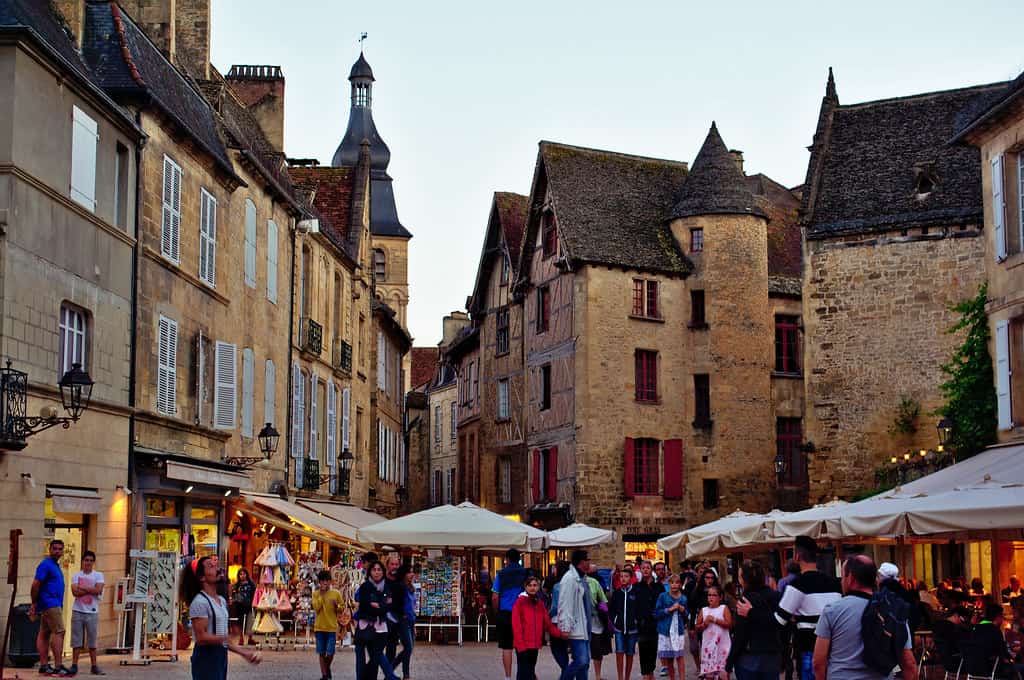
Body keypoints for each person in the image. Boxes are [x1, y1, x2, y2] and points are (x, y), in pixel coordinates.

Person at [812, 555, 915, 680]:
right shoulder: (892, 610)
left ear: (850, 578)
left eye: (843, 576)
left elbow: (818, 662)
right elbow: (909, 663)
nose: (841, 581)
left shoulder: (832, 611)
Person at [181, 556, 260, 680]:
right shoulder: (200, 602)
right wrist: (227, 637)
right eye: (211, 567)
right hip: (206, 659)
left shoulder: (222, 601)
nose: (217, 569)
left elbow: (221, 640)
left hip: (220, 657)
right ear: (202, 577)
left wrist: (244, 653)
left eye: (216, 566)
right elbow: (201, 637)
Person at [775, 536, 841, 680]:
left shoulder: (797, 585)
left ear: (797, 556)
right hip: (836, 652)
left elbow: (779, 620)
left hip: (810, 650)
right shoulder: (835, 584)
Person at [730, 560, 782, 680]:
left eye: (739, 576)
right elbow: (782, 624)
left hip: (749, 658)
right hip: (772, 656)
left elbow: (740, 635)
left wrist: (729, 664)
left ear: (743, 580)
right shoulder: (776, 596)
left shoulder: (745, 601)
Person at [512, 575, 564, 680]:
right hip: (523, 646)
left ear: (538, 587)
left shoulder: (539, 604)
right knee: (524, 674)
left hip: (534, 645)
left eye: (535, 585)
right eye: (530, 585)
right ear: (525, 587)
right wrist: (521, 646)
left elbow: (548, 624)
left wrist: (561, 634)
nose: (532, 588)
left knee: (530, 672)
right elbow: (516, 625)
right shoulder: (519, 603)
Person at [31, 539, 69, 676]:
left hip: (52, 603)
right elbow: (35, 584)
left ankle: (44, 666)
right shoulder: (45, 565)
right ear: (50, 549)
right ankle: (58, 666)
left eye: (60, 549)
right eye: (55, 549)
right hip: (50, 603)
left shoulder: (55, 565)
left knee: (45, 633)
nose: (58, 551)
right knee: (59, 631)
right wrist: (34, 603)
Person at [356, 561, 399, 680]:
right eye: (374, 570)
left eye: (379, 569)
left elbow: (389, 606)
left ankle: (389, 676)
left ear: (383, 572)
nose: (376, 572)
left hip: (380, 628)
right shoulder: (365, 586)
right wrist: (380, 607)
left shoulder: (386, 587)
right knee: (364, 657)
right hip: (365, 627)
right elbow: (364, 606)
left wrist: (378, 606)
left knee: (376, 656)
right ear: (370, 572)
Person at [558, 550, 594, 680]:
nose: (590, 562)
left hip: (584, 627)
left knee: (585, 665)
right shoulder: (570, 579)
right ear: (581, 563)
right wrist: (566, 627)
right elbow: (565, 604)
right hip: (575, 628)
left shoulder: (581, 578)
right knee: (582, 661)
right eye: (588, 560)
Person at [492, 548, 528, 680]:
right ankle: (523, 674)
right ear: (519, 558)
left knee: (506, 646)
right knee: (521, 645)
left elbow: (495, 597)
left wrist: (497, 612)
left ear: (507, 559)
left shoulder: (501, 574)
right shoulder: (525, 573)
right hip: (522, 614)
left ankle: (508, 677)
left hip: (505, 613)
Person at [69, 550, 105, 677]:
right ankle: (74, 665)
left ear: (93, 562)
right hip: (78, 610)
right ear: (82, 561)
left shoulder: (98, 575)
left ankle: (94, 665)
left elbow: (98, 590)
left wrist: (83, 587)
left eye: (90, 560)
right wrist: (91, 589)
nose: (88, 563)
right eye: (86, 560)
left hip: (92, 611)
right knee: (76, 639)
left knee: (92, 640)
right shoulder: (75, 575)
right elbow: (75, 592)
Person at [964, 602, 1014, 679]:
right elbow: (1002, 652)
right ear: (998, 617)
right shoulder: (995, 630)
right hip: (990, 669)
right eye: (1002, 616)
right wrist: (1013, 657)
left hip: (972, 668)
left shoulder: (975, 628)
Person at [654, 575, 687, 680]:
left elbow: (687, 615)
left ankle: (682, 678)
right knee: (669, 658)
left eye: (677, 583)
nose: (674, 585)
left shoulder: (683, 598)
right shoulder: (663, 596)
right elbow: (656, 613)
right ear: (669, 584)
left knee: (680, 656)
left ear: (680, 585)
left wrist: (683, 610)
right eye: (672, 583)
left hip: (678, 630)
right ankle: (672, 678)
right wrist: (669, 609)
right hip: (665, 630)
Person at [312, 569, 343, 680]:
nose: (325, 583)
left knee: (330, 653)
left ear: (330, 582)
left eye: (327, 581)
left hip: (331, 628)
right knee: (321, 652)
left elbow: (342, 609)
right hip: (319, 627)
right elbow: (316, 607)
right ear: (319, 582)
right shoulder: (315, 594)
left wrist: (337, 607)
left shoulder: (336, 593)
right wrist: (321, 595)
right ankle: (324, 675)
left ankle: (326, 668)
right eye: (323, 581)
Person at [696, 585, 731, 679]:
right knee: (709, 675)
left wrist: (714, 619)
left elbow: (729, 624)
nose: (711, 597)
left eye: (714, 595)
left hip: (722, 646)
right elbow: (697, 627)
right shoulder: (704, 610)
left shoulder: (724, 608)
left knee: (723, 674)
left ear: (720, 597)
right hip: (709, 647)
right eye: (709, 595)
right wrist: (703, 625)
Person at [633, 562, 661, 680]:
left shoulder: (658, 587)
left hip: (655, 625)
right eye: (643, 568)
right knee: (644, 652)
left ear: (651, 570)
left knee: (652, 652)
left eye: (648, 568)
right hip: (642, 624)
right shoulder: (637, 587)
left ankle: (650, 674)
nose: (645, 570)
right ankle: (646, 675)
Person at [688, 565, 719, 669]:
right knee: (699, 647)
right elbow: (692, 610)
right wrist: (692, 627)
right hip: (701, 622)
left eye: (711, 578)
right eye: (707, 577)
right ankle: (702, 667)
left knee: (713, 647)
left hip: (715, 622)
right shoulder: (697, 592)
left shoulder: (718, 591)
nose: (710, 580)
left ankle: (712, 667)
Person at [384, 556, 408, 673]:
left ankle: (390, 673)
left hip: (399, 619)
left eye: (396, 564)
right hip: (386, 618)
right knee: (384, 649)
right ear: (387, 565)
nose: (394, 567)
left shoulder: (401, 580)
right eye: (392, 564)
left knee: (402, 647)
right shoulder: (383, 580)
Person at [587, 564, 610, 680]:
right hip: (581, 624)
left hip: (595, 622)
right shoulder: (574, 582)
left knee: (597, 650)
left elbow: (603, 600)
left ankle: (597, 675)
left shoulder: (595, 582)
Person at [391, 568, 416, 680]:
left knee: (409, 648)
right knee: (408, 647)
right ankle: (398, 671)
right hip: (403, 621)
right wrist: (402, 614)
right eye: (409, 572)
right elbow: (395, 604)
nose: (412, 574)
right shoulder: (400, 587)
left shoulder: (411, 587)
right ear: (404, 574)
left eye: (412, 572)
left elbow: (412, 606)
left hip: (411, 620)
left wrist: (414, 623)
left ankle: (398, 672)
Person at [549, 561, 571, 673]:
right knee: (563, 648)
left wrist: (547, 615)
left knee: (556, 649)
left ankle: (566, 671)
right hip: (570, 621)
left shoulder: (557, 586)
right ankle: (565, 672)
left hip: (557, 621)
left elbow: (555, 607)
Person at [230, 568, 255, 646]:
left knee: (250, 621)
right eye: (241, 574)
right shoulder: (237, 585)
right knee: (240, 621)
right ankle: (241, 638)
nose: (242, 576)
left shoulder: (251, 584)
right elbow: (233, 594)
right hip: (240, 605)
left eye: (244, 574)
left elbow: (254, 594)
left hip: (249, 604)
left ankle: (250, 638)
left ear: (247, 574)